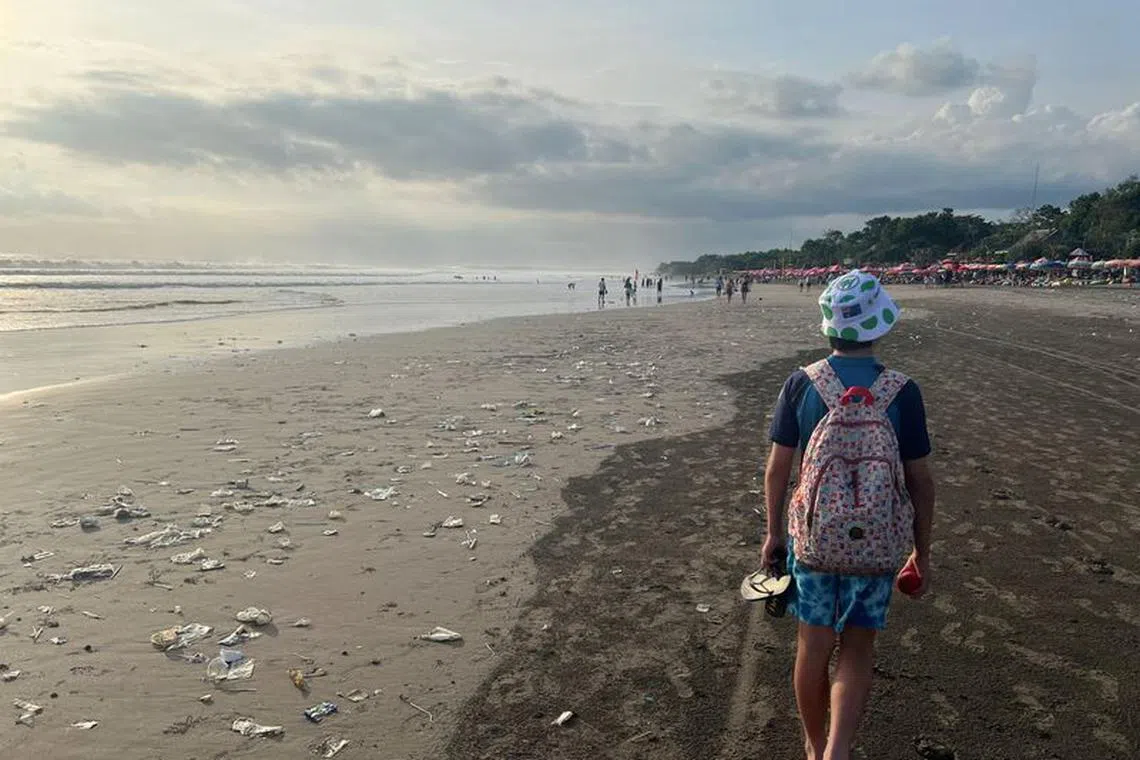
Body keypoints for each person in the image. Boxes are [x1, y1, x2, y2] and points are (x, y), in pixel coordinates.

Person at [761, 270, 935, 760]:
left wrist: (773, 533)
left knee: (812, 645)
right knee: (857, 647)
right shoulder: (903, 391)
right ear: (880, 326)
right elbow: (921, 481)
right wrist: (921, 551)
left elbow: (778, 469)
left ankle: (815, 748)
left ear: (827, 326)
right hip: (877, 543)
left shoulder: (802, 384)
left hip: (814, 539)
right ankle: (837, 752)